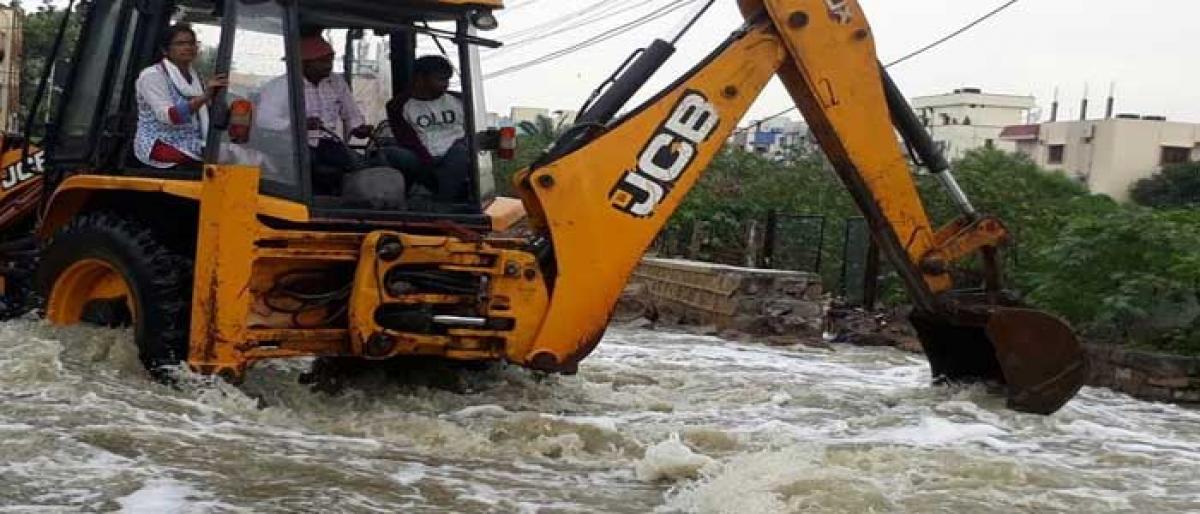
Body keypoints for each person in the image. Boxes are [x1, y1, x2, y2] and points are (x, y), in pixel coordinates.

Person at [258, 35, 373, 189]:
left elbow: (351, 113)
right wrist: (299, 124)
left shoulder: (336, 82)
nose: (329, 66)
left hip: (329, 143)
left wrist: (358, 128)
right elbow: (264, 118)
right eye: (323, 61)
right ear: (304, 64)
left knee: (363, 168)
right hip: (291, 145)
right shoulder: (280, 86)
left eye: (330, 61)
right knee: (308, 166)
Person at [133, 24, 228, 168]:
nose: (188, 47)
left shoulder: (197, 78)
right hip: (160, 144)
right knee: (219, 161)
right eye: (180, 44)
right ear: (165, 50)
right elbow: (170, 116)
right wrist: (205, 96)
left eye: (191, 43)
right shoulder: (153, 76)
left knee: (236, 156)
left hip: (191, 142)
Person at [384, 55, 471, 202]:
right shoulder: (399, 106)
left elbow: (468, 133)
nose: (446, 84)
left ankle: (445, 203)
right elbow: (408, 141)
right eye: (440, 79)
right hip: (422, 159)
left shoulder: (460, 100)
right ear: (420, 79)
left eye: (447, 79)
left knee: (460, 154)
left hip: (456, 155)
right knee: (392, 154)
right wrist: (430, 164)